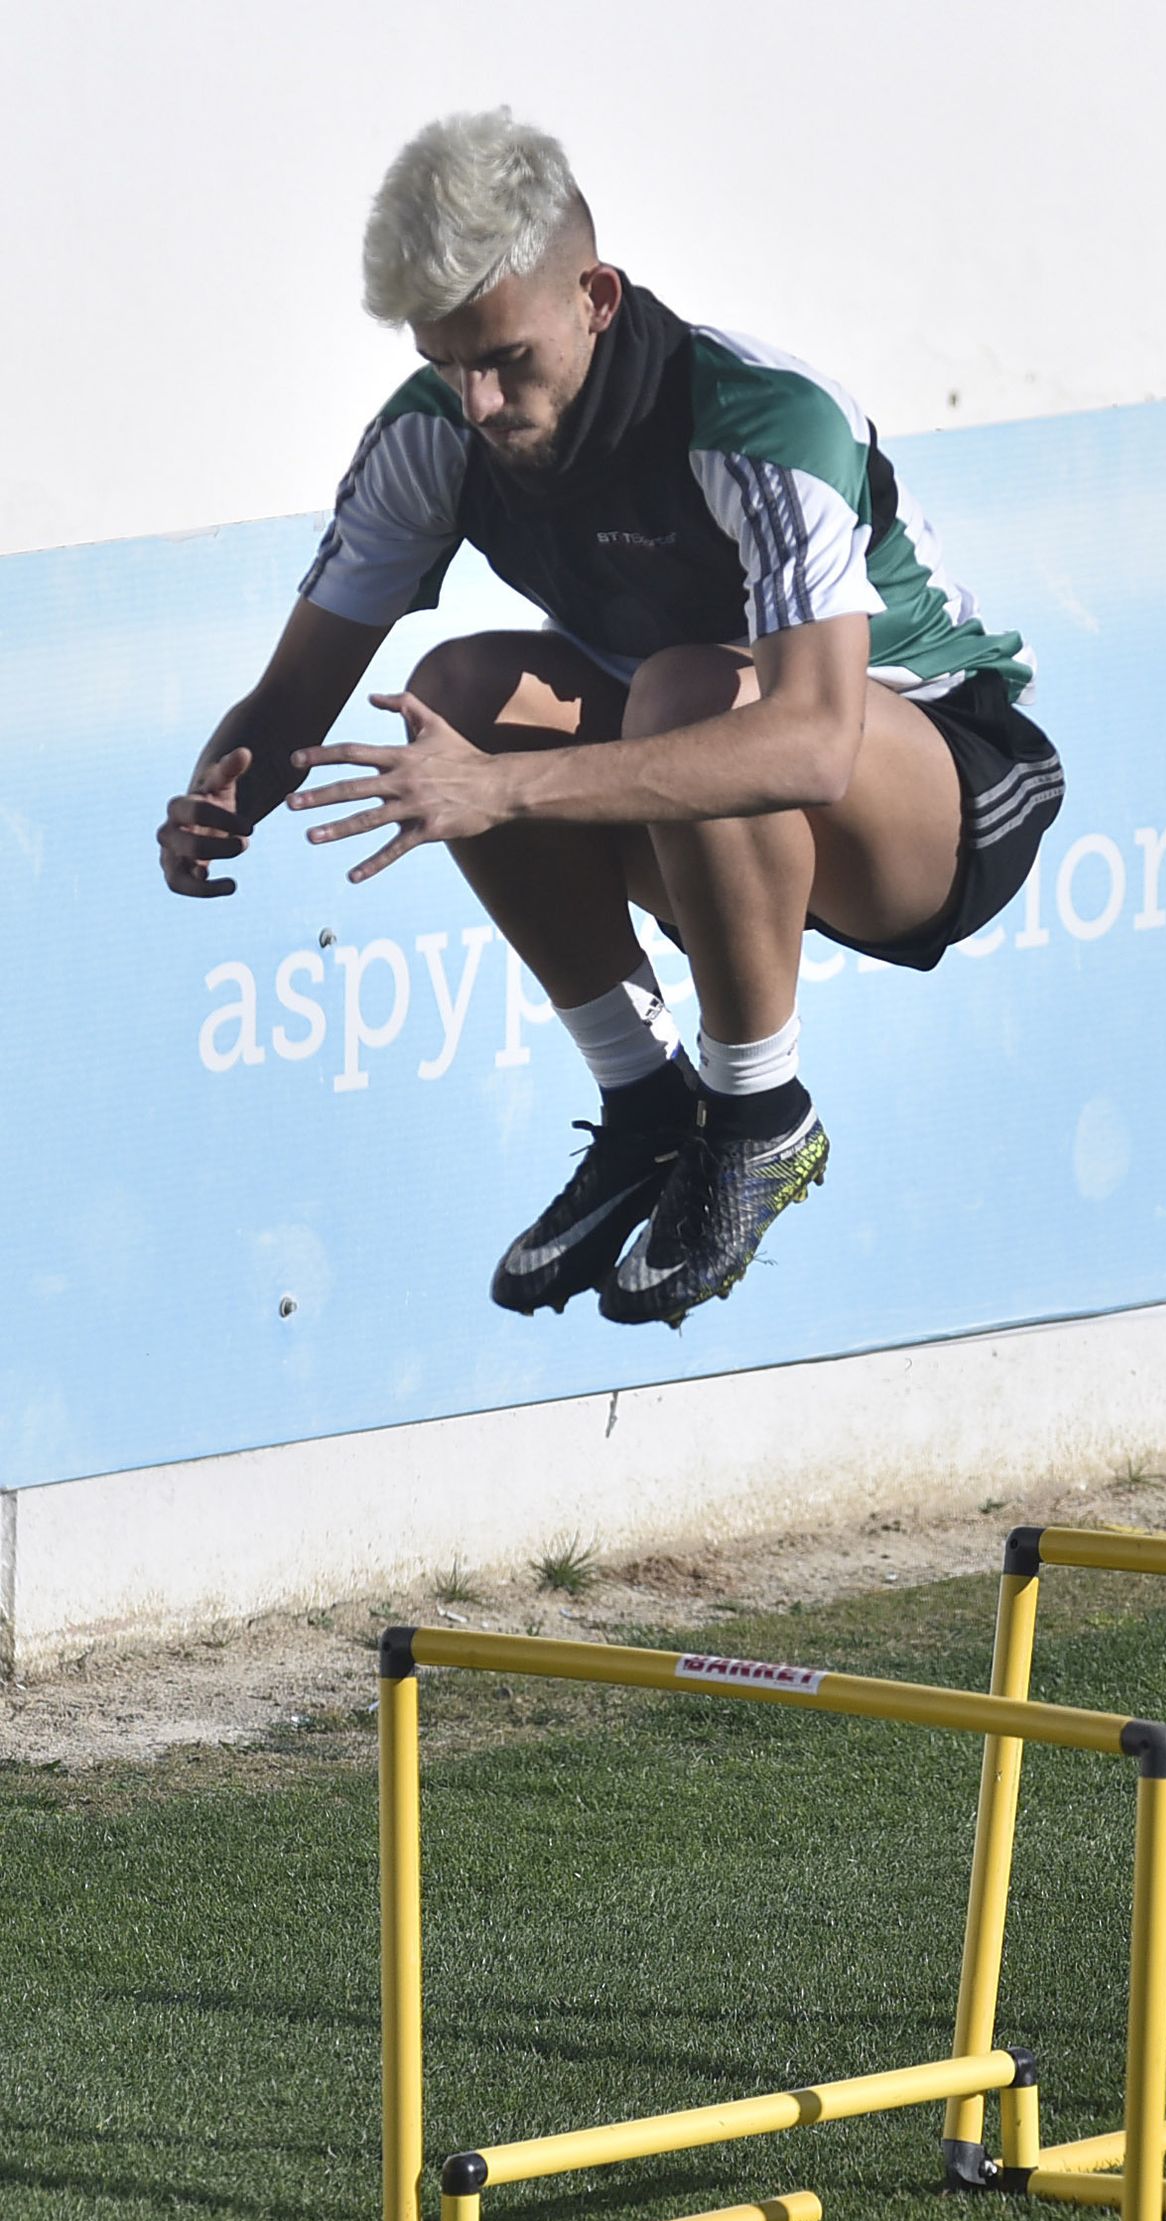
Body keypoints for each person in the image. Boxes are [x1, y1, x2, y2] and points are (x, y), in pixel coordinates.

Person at [157, 109, 1063, 1329]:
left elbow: (811, 741)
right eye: (446, 363)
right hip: (701, 790)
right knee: (457, 695)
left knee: (682, 691)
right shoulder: (431, 432)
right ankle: (646, 1106)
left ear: (594, 298)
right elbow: (289, 701)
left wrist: (503, 791)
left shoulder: (759, 414)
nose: (478, 402)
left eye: (504, 360)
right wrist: (224, 791)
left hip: (935, 784)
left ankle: (758, 1113)